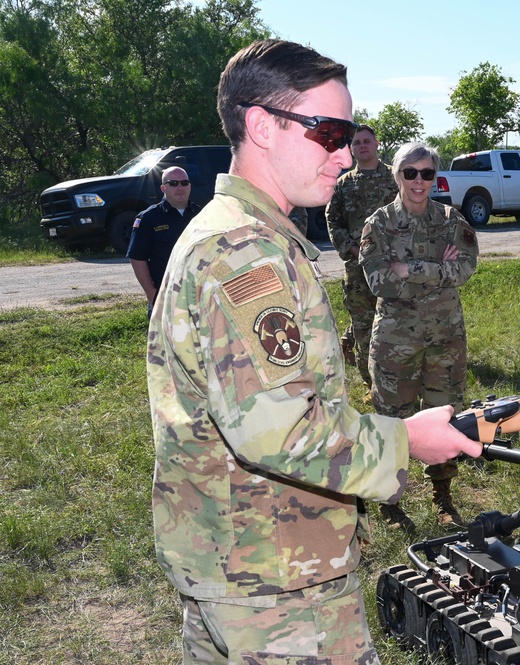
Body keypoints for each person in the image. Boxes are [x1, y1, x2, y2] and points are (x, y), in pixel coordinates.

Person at [146, 39, 481, 664]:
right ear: (260, 126)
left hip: (239, 559)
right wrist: (408, 442)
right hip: (272, 578)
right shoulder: (243, 251)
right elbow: (281, 432)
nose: (346, 152)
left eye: (350, 133)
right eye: (328, 132)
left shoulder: (245, 233)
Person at [359, 142, 478, 530]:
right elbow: (377, 281)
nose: (418, 181)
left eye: (427, 173)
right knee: (392, 421)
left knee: (445, 416)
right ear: (396, 175)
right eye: (410, 172)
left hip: (445, 339)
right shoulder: (378, 225)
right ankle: (389, 501)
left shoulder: (450, 219)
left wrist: (410, 269)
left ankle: (442, 495)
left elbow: (464, 268)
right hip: (396, 343)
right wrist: (436, 272)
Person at [326, 125, 399, 388]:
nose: (362, 146)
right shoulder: (344, 184)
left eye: (367, 141)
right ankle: (372, 384)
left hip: (394, 266)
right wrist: (354, 250)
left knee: (396, 323)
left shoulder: (397, 177)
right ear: (351, 149)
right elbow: (333, 221)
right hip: (358, 269)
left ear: (377, 144)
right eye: (357, 143)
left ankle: (399, 378)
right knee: (363, 326)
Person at [125, 166, 200, 316]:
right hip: (165, 296)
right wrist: (152, 294)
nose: (180, 187)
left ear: (190, 186)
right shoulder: (148, 218)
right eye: (173, 183)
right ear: (163, 188)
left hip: (198, 296)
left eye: (184, 183)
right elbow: (137, 258)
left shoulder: (200, 215)